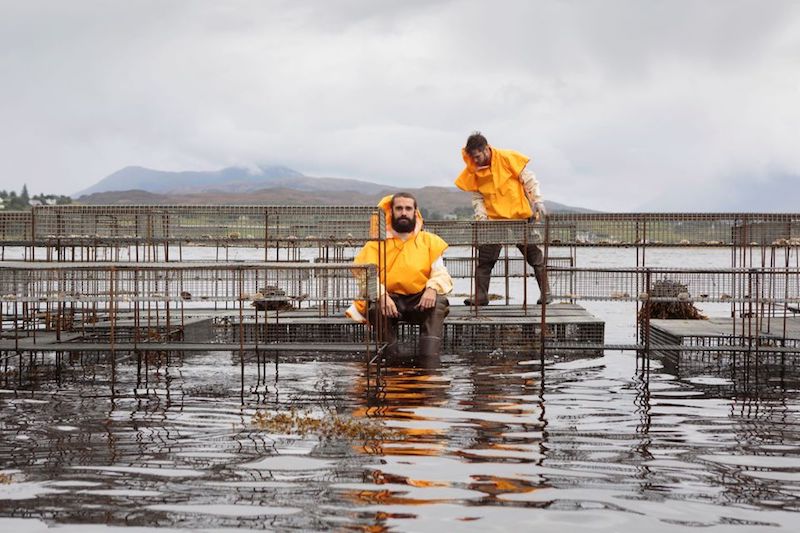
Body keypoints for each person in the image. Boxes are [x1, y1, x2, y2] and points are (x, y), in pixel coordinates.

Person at [346, 193, 453, 357]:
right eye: (399, 208)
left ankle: (430, 362)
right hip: (388, 300)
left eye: (408, 208)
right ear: (391, 212)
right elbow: (365, 276)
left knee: (439, 302)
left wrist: (431, 289)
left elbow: (441, 273)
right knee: (374, 307)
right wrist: (382, 296)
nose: (404, 212)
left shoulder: (430, 241)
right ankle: (391, 357)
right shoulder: (375, 245)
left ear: (415, 212)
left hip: (419, 300)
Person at [455, 131, 550, 306]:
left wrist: (537, 201)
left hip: (520, 216)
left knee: (534, 255)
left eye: (477, 156)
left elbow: (528, 179)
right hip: (493, 220)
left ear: (485, 149)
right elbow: (477, 196)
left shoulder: (507, 158)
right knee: (485, 259)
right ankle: (481, 297)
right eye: (472, 157)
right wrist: (481, 218)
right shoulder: (474, 169)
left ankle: (546, 293)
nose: (475, 161)